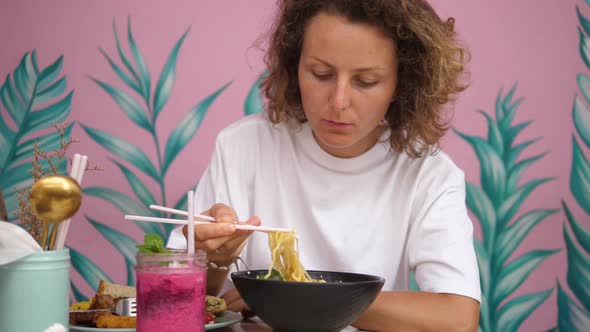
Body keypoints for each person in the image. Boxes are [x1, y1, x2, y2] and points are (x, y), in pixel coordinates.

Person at [168, 0, 481, 330]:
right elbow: (174, 301)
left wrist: (290, 297)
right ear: (295, 66)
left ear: (401, 85)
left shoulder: (429, 173)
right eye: (321, 74)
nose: (339, 101)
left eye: (366, 81)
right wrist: (214, 259)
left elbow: (457, 320)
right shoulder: (243, 146)